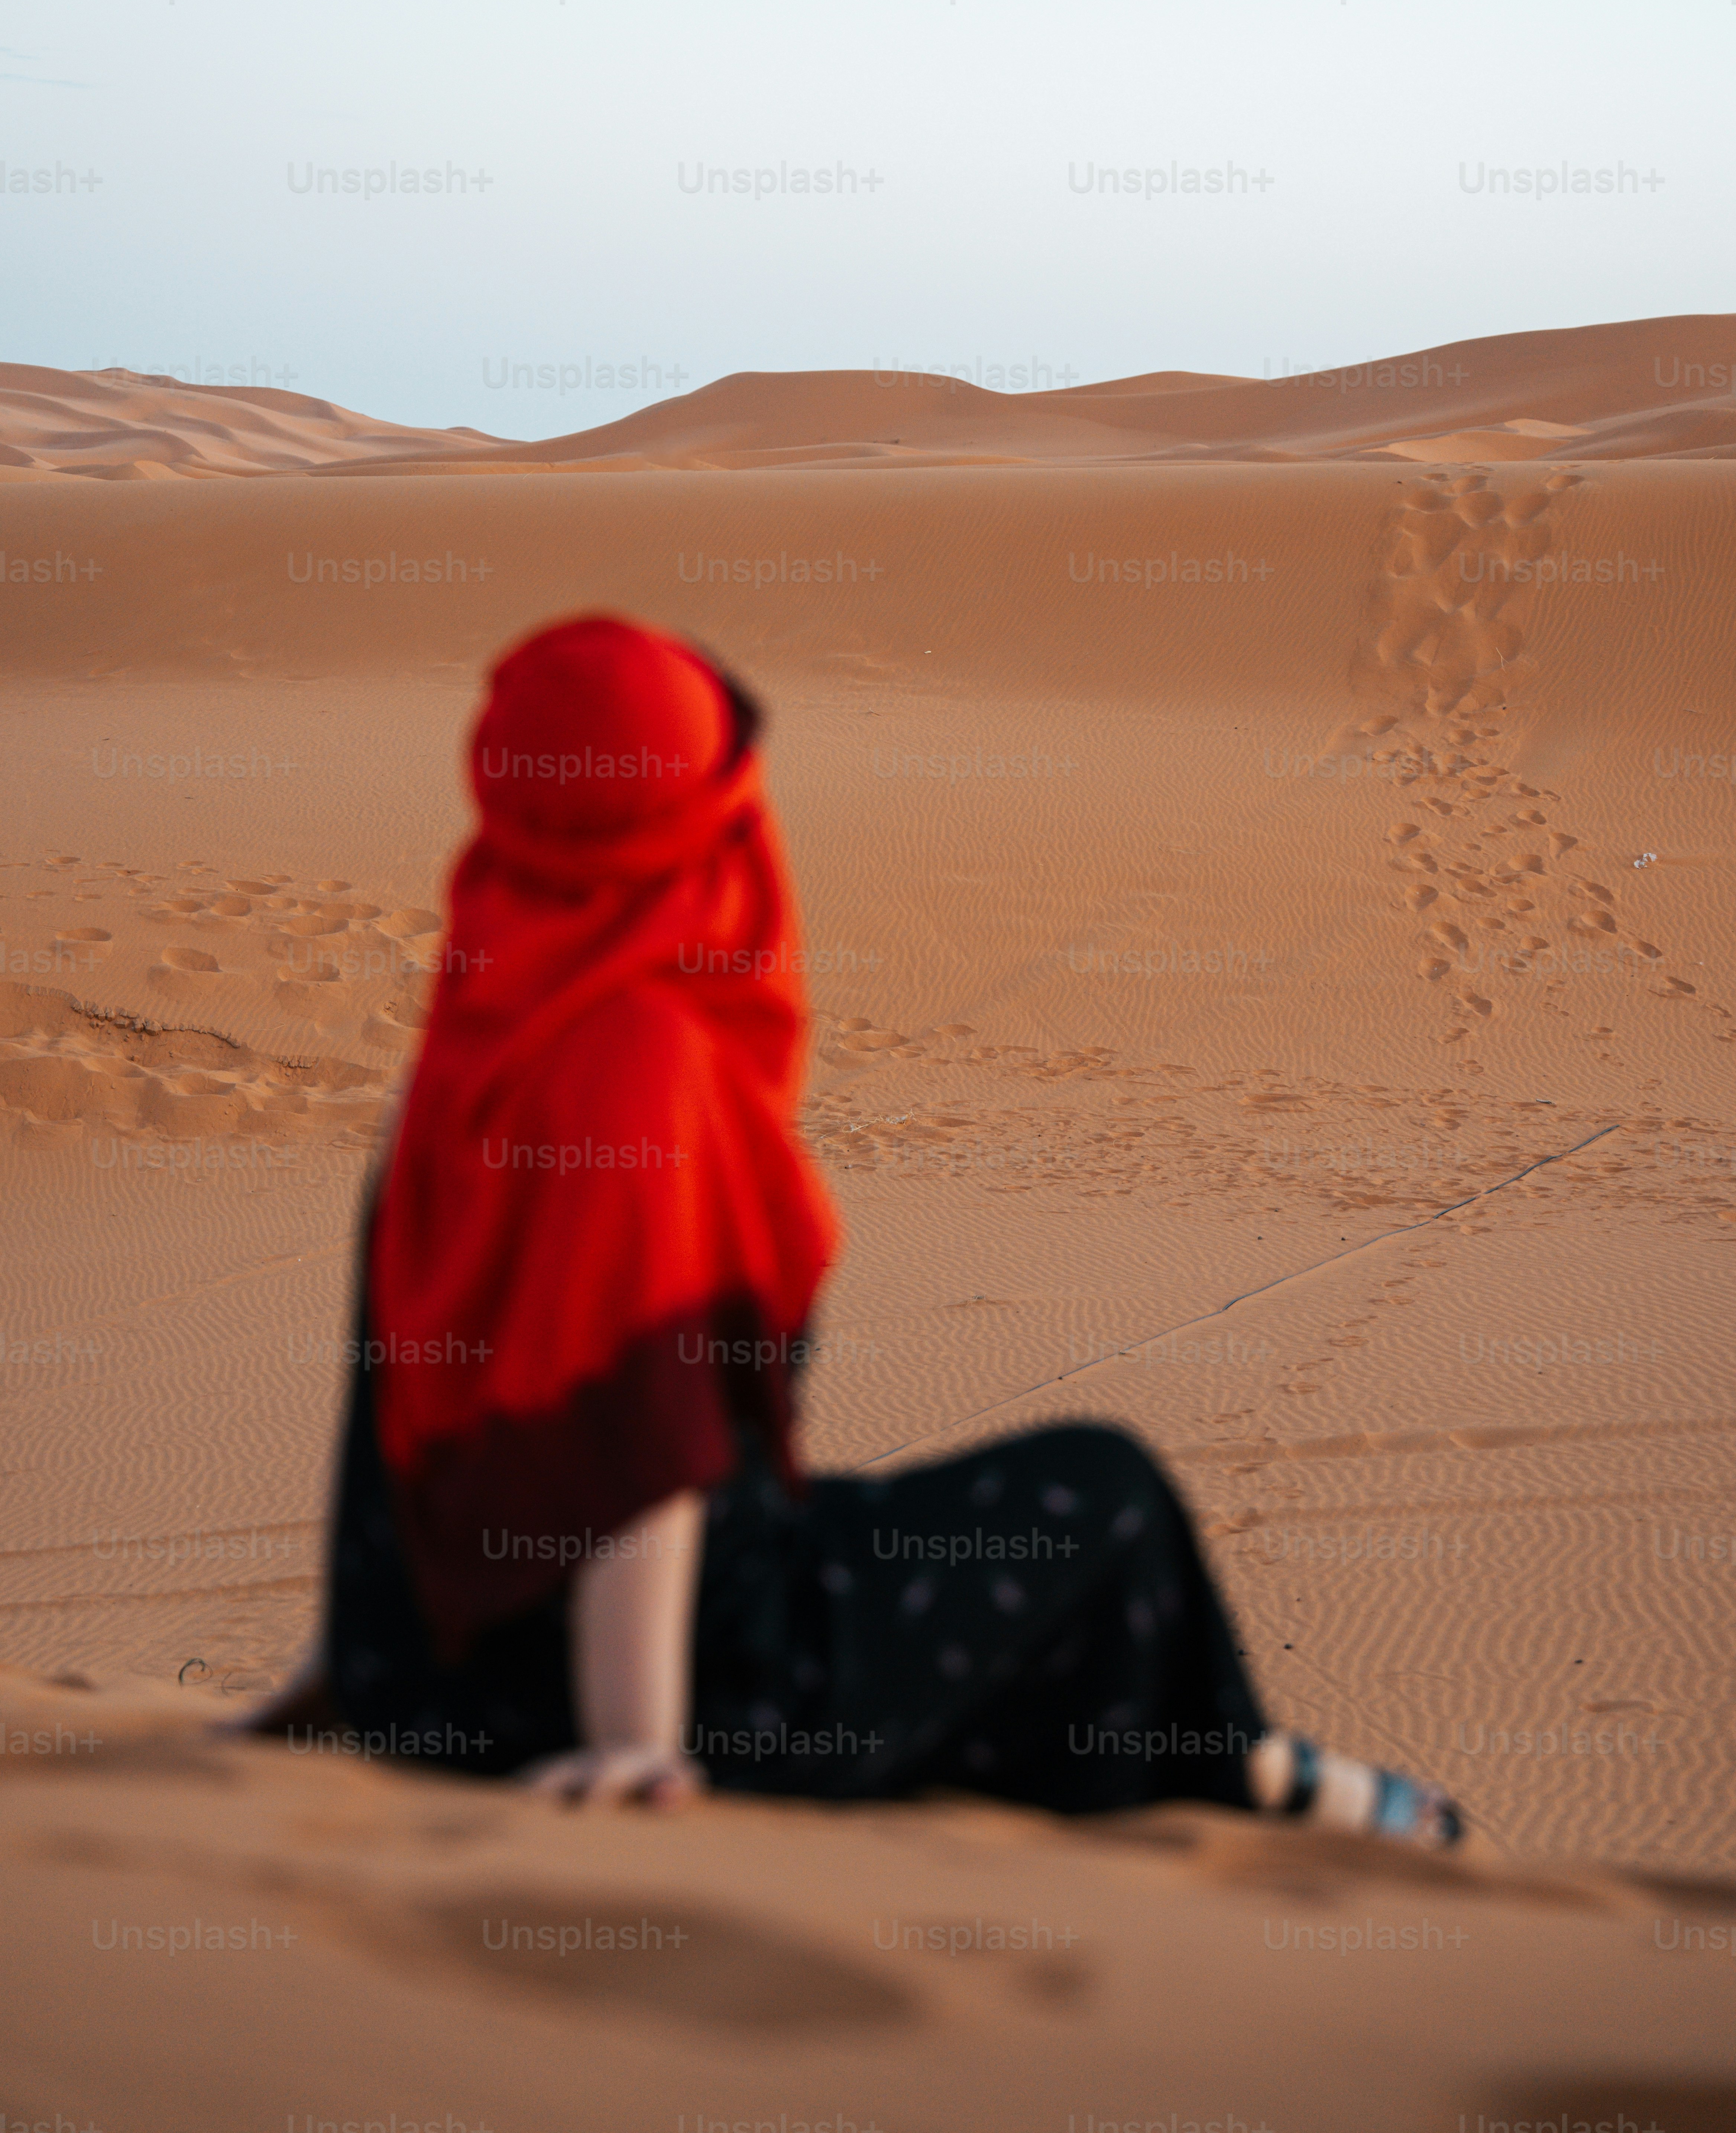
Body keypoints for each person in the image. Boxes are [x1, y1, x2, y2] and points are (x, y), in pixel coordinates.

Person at [243, 614, 1460, 1846]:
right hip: (689, 1684)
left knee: (917, 1542)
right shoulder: (639, 1063)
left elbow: (401, 1380)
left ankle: (1235, 1776)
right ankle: (1257, 1780)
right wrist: (636, 1742)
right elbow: (637, 1443)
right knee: (1109, 1492)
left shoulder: (480, 1031)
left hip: (439, 1677)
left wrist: (358, 1656)